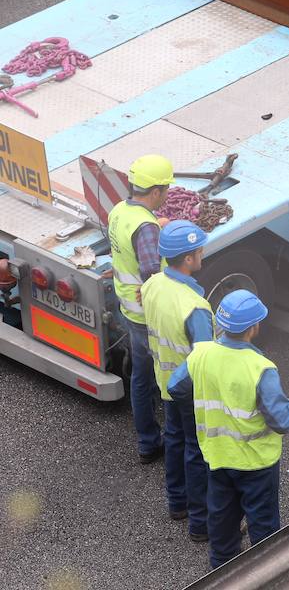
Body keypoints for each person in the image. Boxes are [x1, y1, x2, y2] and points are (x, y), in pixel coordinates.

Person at [168, 290, 289, 570]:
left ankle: (222, 570)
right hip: (256, 463)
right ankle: (267, 573)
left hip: (217, 456)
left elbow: (175, 387)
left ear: (221, 324)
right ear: (253, 328)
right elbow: (282, 420)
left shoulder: (201, 355)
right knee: (263, 525)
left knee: (222, 519)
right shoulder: (260, 368)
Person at [141, 221, 214, 542]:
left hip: (165, 378)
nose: (202, 255)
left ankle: (178, 503)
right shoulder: (195, 307)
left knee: (173, 439)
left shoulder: (153, 284)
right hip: (190, 389)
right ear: (188, 259)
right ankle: (201, 522)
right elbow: (204, 358)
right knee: (197, 451)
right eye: (199, 250)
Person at [108, 154, 173, 463]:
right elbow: (151, 270)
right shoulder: (146, 227)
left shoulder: (120, 211)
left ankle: (147, 439)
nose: (167, 195)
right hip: (147, 313)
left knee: (140, 375)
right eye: (166, 189)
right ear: (156, 191)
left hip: (129, 307)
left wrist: (155, 227)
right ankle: (155, 441)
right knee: (163, 375)